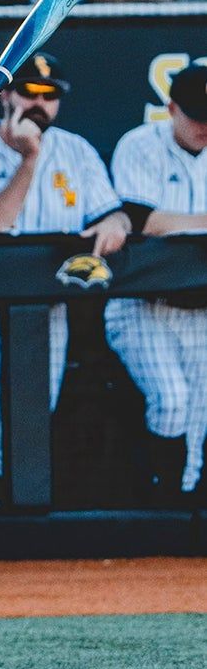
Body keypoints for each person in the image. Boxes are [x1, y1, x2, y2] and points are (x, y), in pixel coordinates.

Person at [0, 52, 130, 514]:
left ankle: (14, 503)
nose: (40, 103)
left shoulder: (77, 150)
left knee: (36, 398)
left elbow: (112, 211)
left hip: (45, 303)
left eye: (50, 95)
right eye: (30, 92)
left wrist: (117, 223)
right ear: (5, 95)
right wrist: (30, 160)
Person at [105, 64, 207, 505]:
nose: (205, 125)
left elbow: (170, 223)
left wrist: (183, 225)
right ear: (171, 108)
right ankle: (162, 511)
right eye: (196, 114)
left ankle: (182, 517)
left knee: (199, 422)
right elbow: (141, 220)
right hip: (141, 304)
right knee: (170, 400)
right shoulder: (140, 145)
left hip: (201, 309)